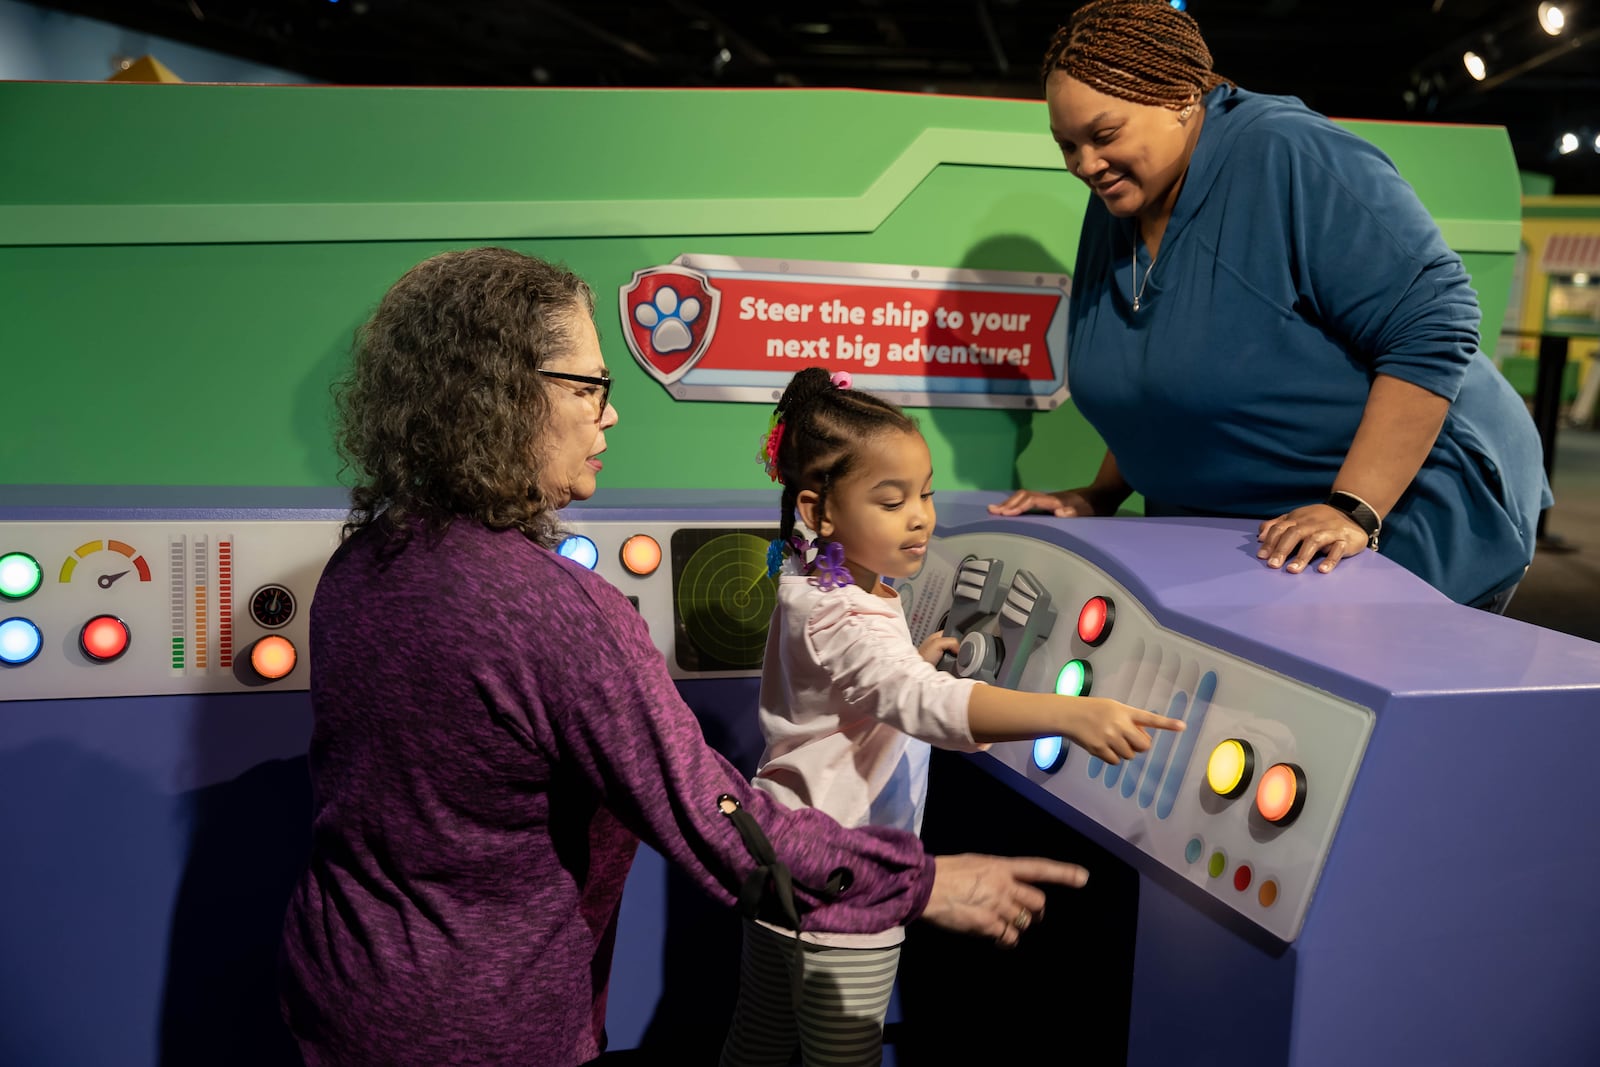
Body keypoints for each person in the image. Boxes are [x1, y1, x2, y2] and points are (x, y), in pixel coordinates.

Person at [276, 248, 1095, 1067]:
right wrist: (920, 883)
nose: (610, 416)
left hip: (341, 991)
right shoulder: (556, 612)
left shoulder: (360, 566)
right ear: (501, 393)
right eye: (589, 387)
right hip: (486, 1031)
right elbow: (713, 817)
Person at [989, 0, 1550, 612]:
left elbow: (1434, 321)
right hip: (1245, 540)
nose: (1085, 165)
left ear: (1181, 97)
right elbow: (1153, 368)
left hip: (1402, 527)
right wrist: (1100, 494)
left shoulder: (1287, 153)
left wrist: (1354, 508)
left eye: (1103, 135)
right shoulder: (1122, 196)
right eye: (1066, 145)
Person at [719, 366, 1185, 1067]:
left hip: (781, 861)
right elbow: (925, 702)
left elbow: (868, 678)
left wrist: (912, 653)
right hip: (848, 883)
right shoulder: (849, 614)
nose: (921, 516)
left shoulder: (817, 579)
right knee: (842, 1052)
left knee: (759, 1038)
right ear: (820, 512)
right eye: (891, 499)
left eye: (927, 492)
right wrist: (1070, 713)